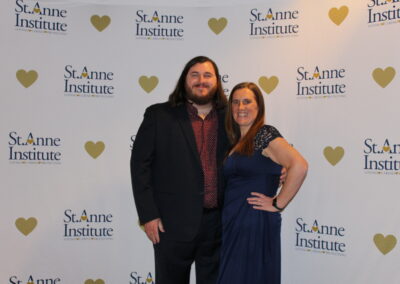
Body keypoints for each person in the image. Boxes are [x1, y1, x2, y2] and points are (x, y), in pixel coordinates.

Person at [130, 56, 228, 284]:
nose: (200, 81)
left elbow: (248, 153)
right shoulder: (159, 115)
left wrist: (276, 170)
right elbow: (140, 166)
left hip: (218, 226)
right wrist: (149, 215)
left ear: (217, 82)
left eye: (207, 75)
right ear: (184, 80)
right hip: (170, 225)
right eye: (194, 75)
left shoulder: (229, 119)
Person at [217, 82, 308, 284]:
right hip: (233, 223)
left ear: (259, 107)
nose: (241, 108)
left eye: (247, 101)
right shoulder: (236, 141)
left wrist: (277, 203)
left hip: (254, 224)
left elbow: (299, 166)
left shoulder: (264, 134)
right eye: (236, 102)